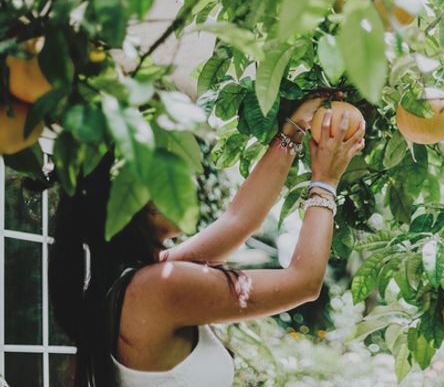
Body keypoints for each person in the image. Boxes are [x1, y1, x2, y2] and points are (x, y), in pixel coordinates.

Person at [50, 95, 365, 386]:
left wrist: (292, 131)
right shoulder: (158, 287)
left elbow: (238, 221)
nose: (183, 179)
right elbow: (303, 282)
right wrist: (326, 180)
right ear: (127, 198)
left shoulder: (135, 282)